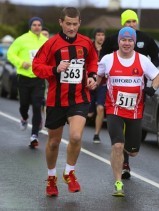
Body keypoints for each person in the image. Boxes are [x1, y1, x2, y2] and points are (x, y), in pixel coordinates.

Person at [32, 7, 98, 197]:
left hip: (79, 97)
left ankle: (69, 172)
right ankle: (51, 177)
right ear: (61, 22)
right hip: (56, 99)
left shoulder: (86, 42)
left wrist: (92, 76)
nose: (71, 27)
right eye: (67, 23)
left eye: (74, 24)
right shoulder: (51, 44)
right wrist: (54, 69)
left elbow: (93, 60)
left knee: (76, 137)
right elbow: (37, 67)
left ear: (80, 23)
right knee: (54, 142)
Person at [97, 26, 159, 196]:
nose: (126, 43)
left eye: (130, 40)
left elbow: (157, 76)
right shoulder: (108, 59)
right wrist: (91, 84)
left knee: (132, 152)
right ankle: (118, 182)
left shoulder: (142, 60)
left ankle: (125, 151)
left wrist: (152, 88)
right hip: (114, 109)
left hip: (135, 111)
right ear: (119, 41)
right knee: (117, 145)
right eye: (123, 40)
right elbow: (97, 76)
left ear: (134, 42)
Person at [7, 16, 48, 148]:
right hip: (24, 77)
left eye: (39, 25)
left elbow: (51, 57)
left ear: (42, 27)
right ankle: (24, 117)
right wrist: (21, 63)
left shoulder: (45, 41)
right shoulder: (22, 39)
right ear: (30, 26)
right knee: (24, 104)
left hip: (38, 78)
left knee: (37, 106)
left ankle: (34, 135)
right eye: (34, 25)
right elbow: (10, 54)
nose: (37, 27)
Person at [87, 28, 107, 144]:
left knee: (100, 108)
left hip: (102, 84)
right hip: (90, 83)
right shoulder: (90, 48)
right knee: (88, 112)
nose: (101, 37)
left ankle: (96, 134)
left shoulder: (107, 50)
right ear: (95, 36)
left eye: (103, 35)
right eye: (98, 35)